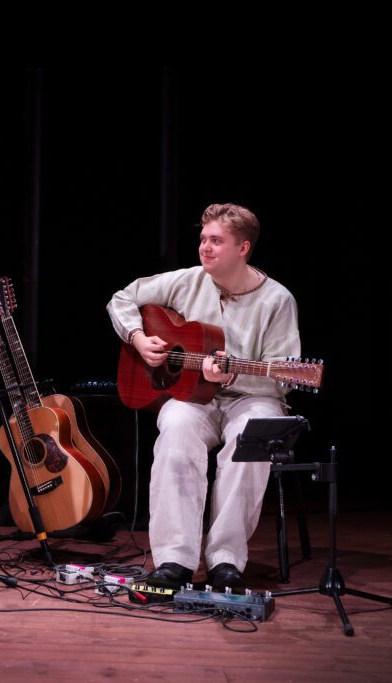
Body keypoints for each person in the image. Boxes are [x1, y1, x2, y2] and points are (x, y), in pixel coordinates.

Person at [106, 203, 300, 590]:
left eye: (216, 241)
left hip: (250, 396)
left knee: (252, 437)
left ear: (243, 248)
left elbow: (285, 377)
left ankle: (226, 558)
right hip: (195, 397)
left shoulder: (277, 300)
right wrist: (139, 339)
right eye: (203, 239)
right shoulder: (187, 280)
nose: (205, 248)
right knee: (176, 431)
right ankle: (175, 560)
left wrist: (230, 375)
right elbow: (121, 299)